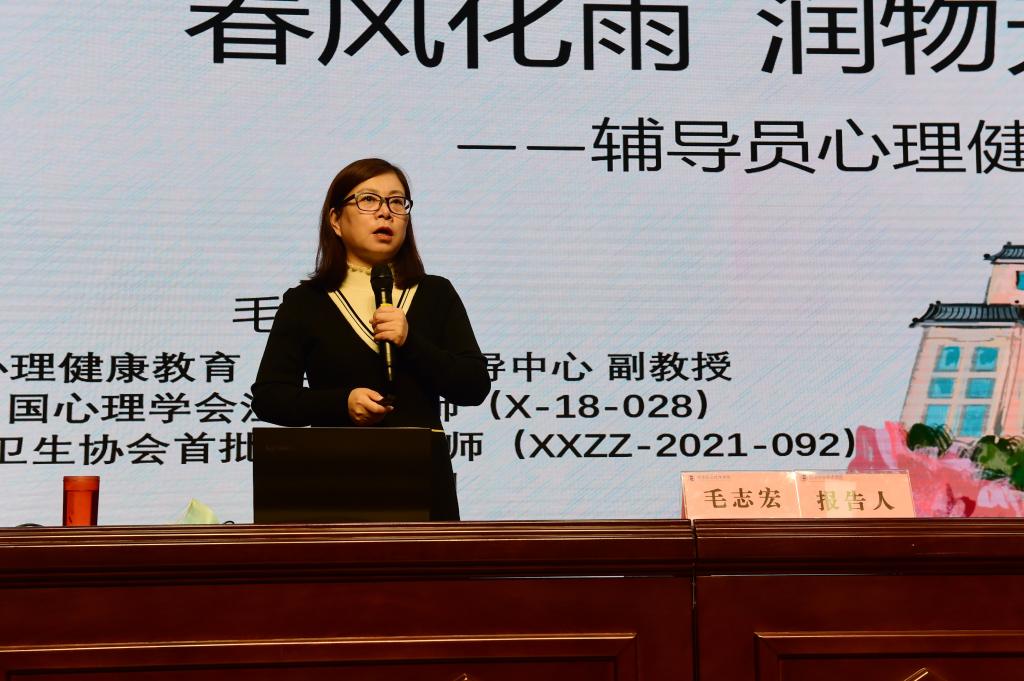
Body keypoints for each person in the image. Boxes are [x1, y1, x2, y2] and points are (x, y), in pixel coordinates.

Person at [251, 158, 490, 520]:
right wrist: (341, 403)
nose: (385, 213)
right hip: (333, 484)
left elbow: (473, 386)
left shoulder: (435, 293)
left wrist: (411, 342)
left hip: (423, 487)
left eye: (397, 202)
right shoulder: (307, 301)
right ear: (336, 220)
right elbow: (269, 397)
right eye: (368, 200)